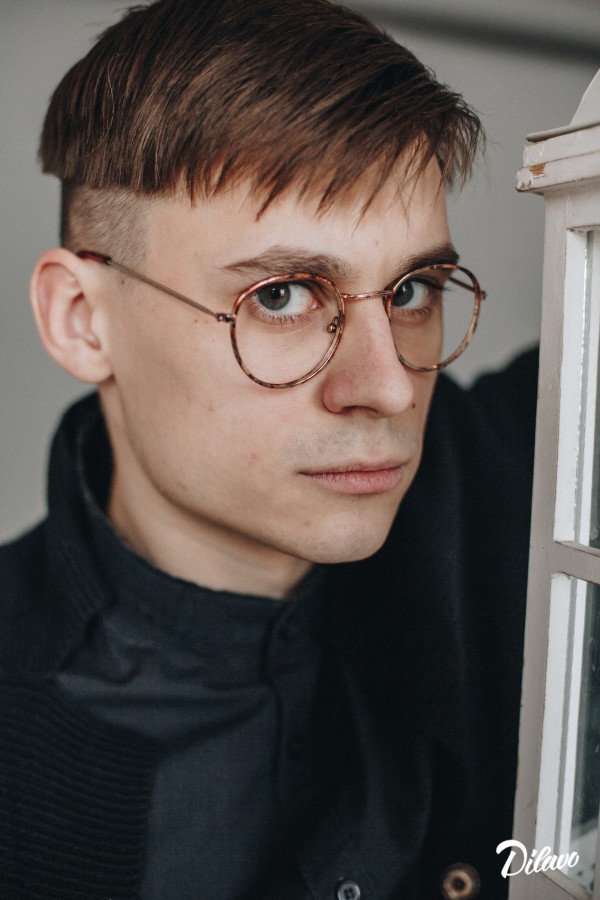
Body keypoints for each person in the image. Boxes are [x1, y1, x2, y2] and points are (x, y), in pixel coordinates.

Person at [0, 0, 537, 897]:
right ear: (83, 320)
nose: (389, 387)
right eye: (282, 296)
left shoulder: (513, 483)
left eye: (413, 289)